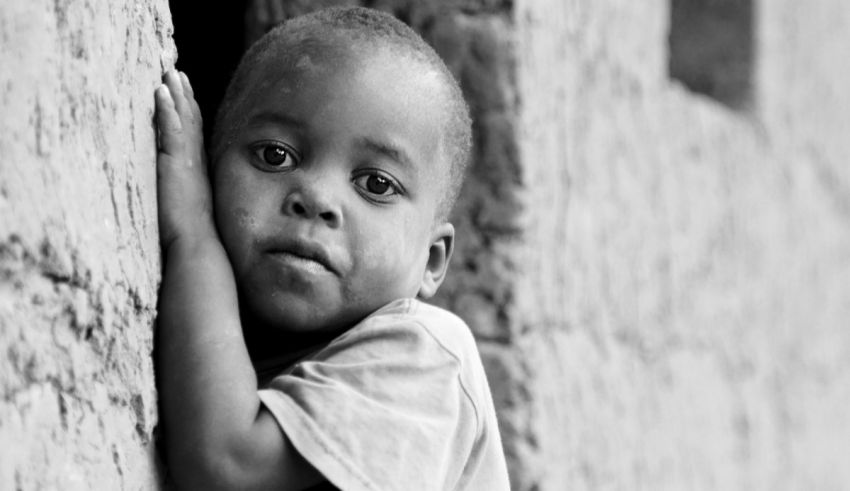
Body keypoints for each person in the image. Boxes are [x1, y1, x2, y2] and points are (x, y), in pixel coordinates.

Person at [154, 6, 510, 490]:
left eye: (376, 184)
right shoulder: (212, 332)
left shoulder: (425, 356)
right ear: (209, 168)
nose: (318, 198)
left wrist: (193, 232)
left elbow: (228, 465)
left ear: (431, 261)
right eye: (275, 155)